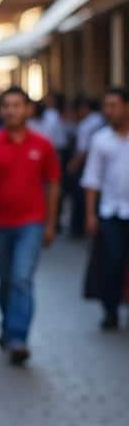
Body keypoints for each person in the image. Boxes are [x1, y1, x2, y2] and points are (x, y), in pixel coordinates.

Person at [0, 87, 61, 367]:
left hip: (31, 223)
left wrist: (51, 223)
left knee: (22, 279)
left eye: (17, 105)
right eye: (6, 106)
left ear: (28, 110)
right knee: (6, 281)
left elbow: (53, 185)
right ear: (1, 110)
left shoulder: (42, 145)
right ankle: (9, 327)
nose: (11, 111)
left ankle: (18, 337)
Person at [81, 87, 129, 330]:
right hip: (111, 211)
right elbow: (92, 179)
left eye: (114, 105)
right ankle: (110, 310)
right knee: (112, 262)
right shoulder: (100, 139)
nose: (109, 111)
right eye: (106, 106)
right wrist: (91, 214)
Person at [68, 97, 105, 238]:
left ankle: (79, 227)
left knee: (80, 196)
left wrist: (73, 164)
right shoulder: (99, 121)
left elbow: (82, 150)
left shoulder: (87, 125)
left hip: (87, 164)